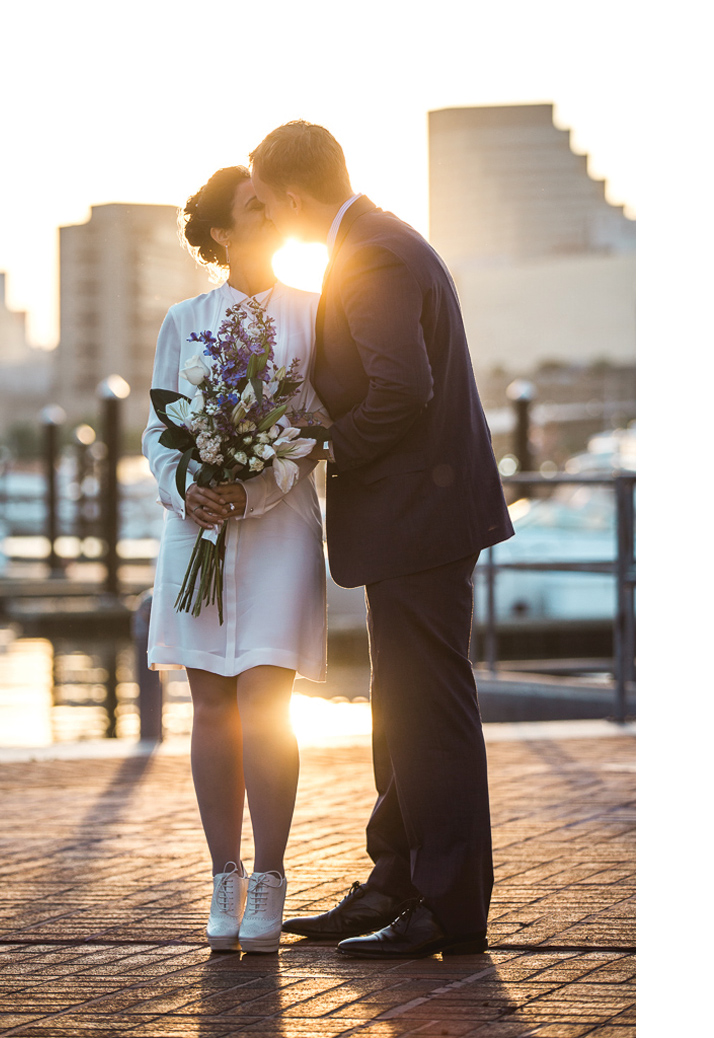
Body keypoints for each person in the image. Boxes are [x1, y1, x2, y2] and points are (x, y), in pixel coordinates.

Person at [248, 121, 514, 958]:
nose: (266, 216)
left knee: (429, 714)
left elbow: (402, 389)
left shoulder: (372, 254)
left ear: (294, 196)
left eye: (266, 201)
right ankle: (395, 883)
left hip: (419, 520)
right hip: (418, 519)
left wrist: (326, 442)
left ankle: (449, 908)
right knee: (402, 709)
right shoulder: (379, 239)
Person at [143, 165, 328, 954]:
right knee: (212, 706)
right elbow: (158, 432)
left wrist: (249, 493)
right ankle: (224, 873)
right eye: (257, 206)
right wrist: (188, 486)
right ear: (222, 230)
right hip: (195, 531)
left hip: (279, 529)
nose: (275, 212)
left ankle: (273, 874)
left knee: (266, 703)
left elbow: (318, 428)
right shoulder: (184, 318)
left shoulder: (317, 315)